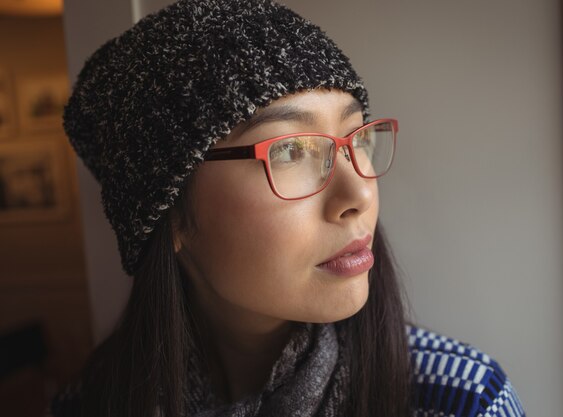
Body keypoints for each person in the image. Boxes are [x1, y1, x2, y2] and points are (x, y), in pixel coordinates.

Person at [46, 0, 526, 416]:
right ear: (170, 213)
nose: (358, 196)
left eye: (355, 137)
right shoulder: (87, 406)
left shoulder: (462, 398)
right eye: (291, 150)